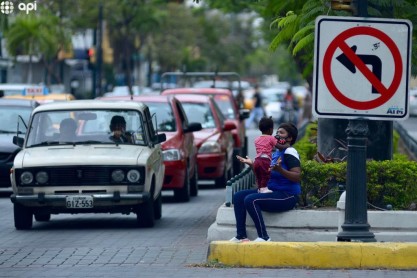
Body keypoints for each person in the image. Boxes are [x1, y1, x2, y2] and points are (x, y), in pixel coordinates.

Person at [231, 122, 301, 242]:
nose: (277, 135)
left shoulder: (289, 152)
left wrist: (280, 169)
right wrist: (252, 165)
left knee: (251, 199)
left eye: (281, 133)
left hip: (287, 195)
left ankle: (264, 237)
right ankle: (241, 235)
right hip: (272, 192)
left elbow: (297, 176)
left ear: (289, 138)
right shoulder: (274, 154)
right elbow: (263, 175)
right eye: (277, 132)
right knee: (238, 196)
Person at [253, 116, 289, 194]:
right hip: (265, 160)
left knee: (259, 175)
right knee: (266, 174)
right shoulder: (271, 138)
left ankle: (259, 188)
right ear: (271, 129)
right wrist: (287, 145)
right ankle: (264, 188)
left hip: (257, 160)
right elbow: (280, 147)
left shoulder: (257, 139)